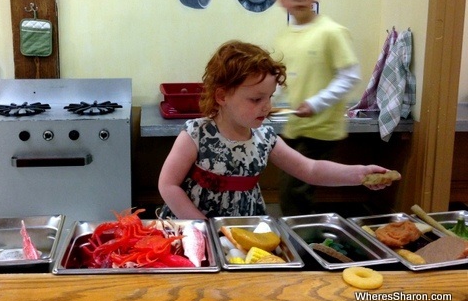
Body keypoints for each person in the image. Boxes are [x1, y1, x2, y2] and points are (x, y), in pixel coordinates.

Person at [157, 40, 397, 220]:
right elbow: (168, 185)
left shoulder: (264, 137)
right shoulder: (196, 134)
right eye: (255, 99)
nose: (267, 106)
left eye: (270, 97)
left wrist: (360, 174)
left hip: (244, 227)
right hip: (194, 228)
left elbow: (310, 169)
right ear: (221, 96)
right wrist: (202, 226)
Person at [273, 0, 361, 216]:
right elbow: (281, 80)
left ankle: (303, 247)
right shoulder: (285, 36)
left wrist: (315, 103)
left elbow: (349, 76)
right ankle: (301, 241)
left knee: (294, 191)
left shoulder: (331, 32)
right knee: (292, 190)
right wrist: (268, 103)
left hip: (321, 129)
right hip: (295, 127)